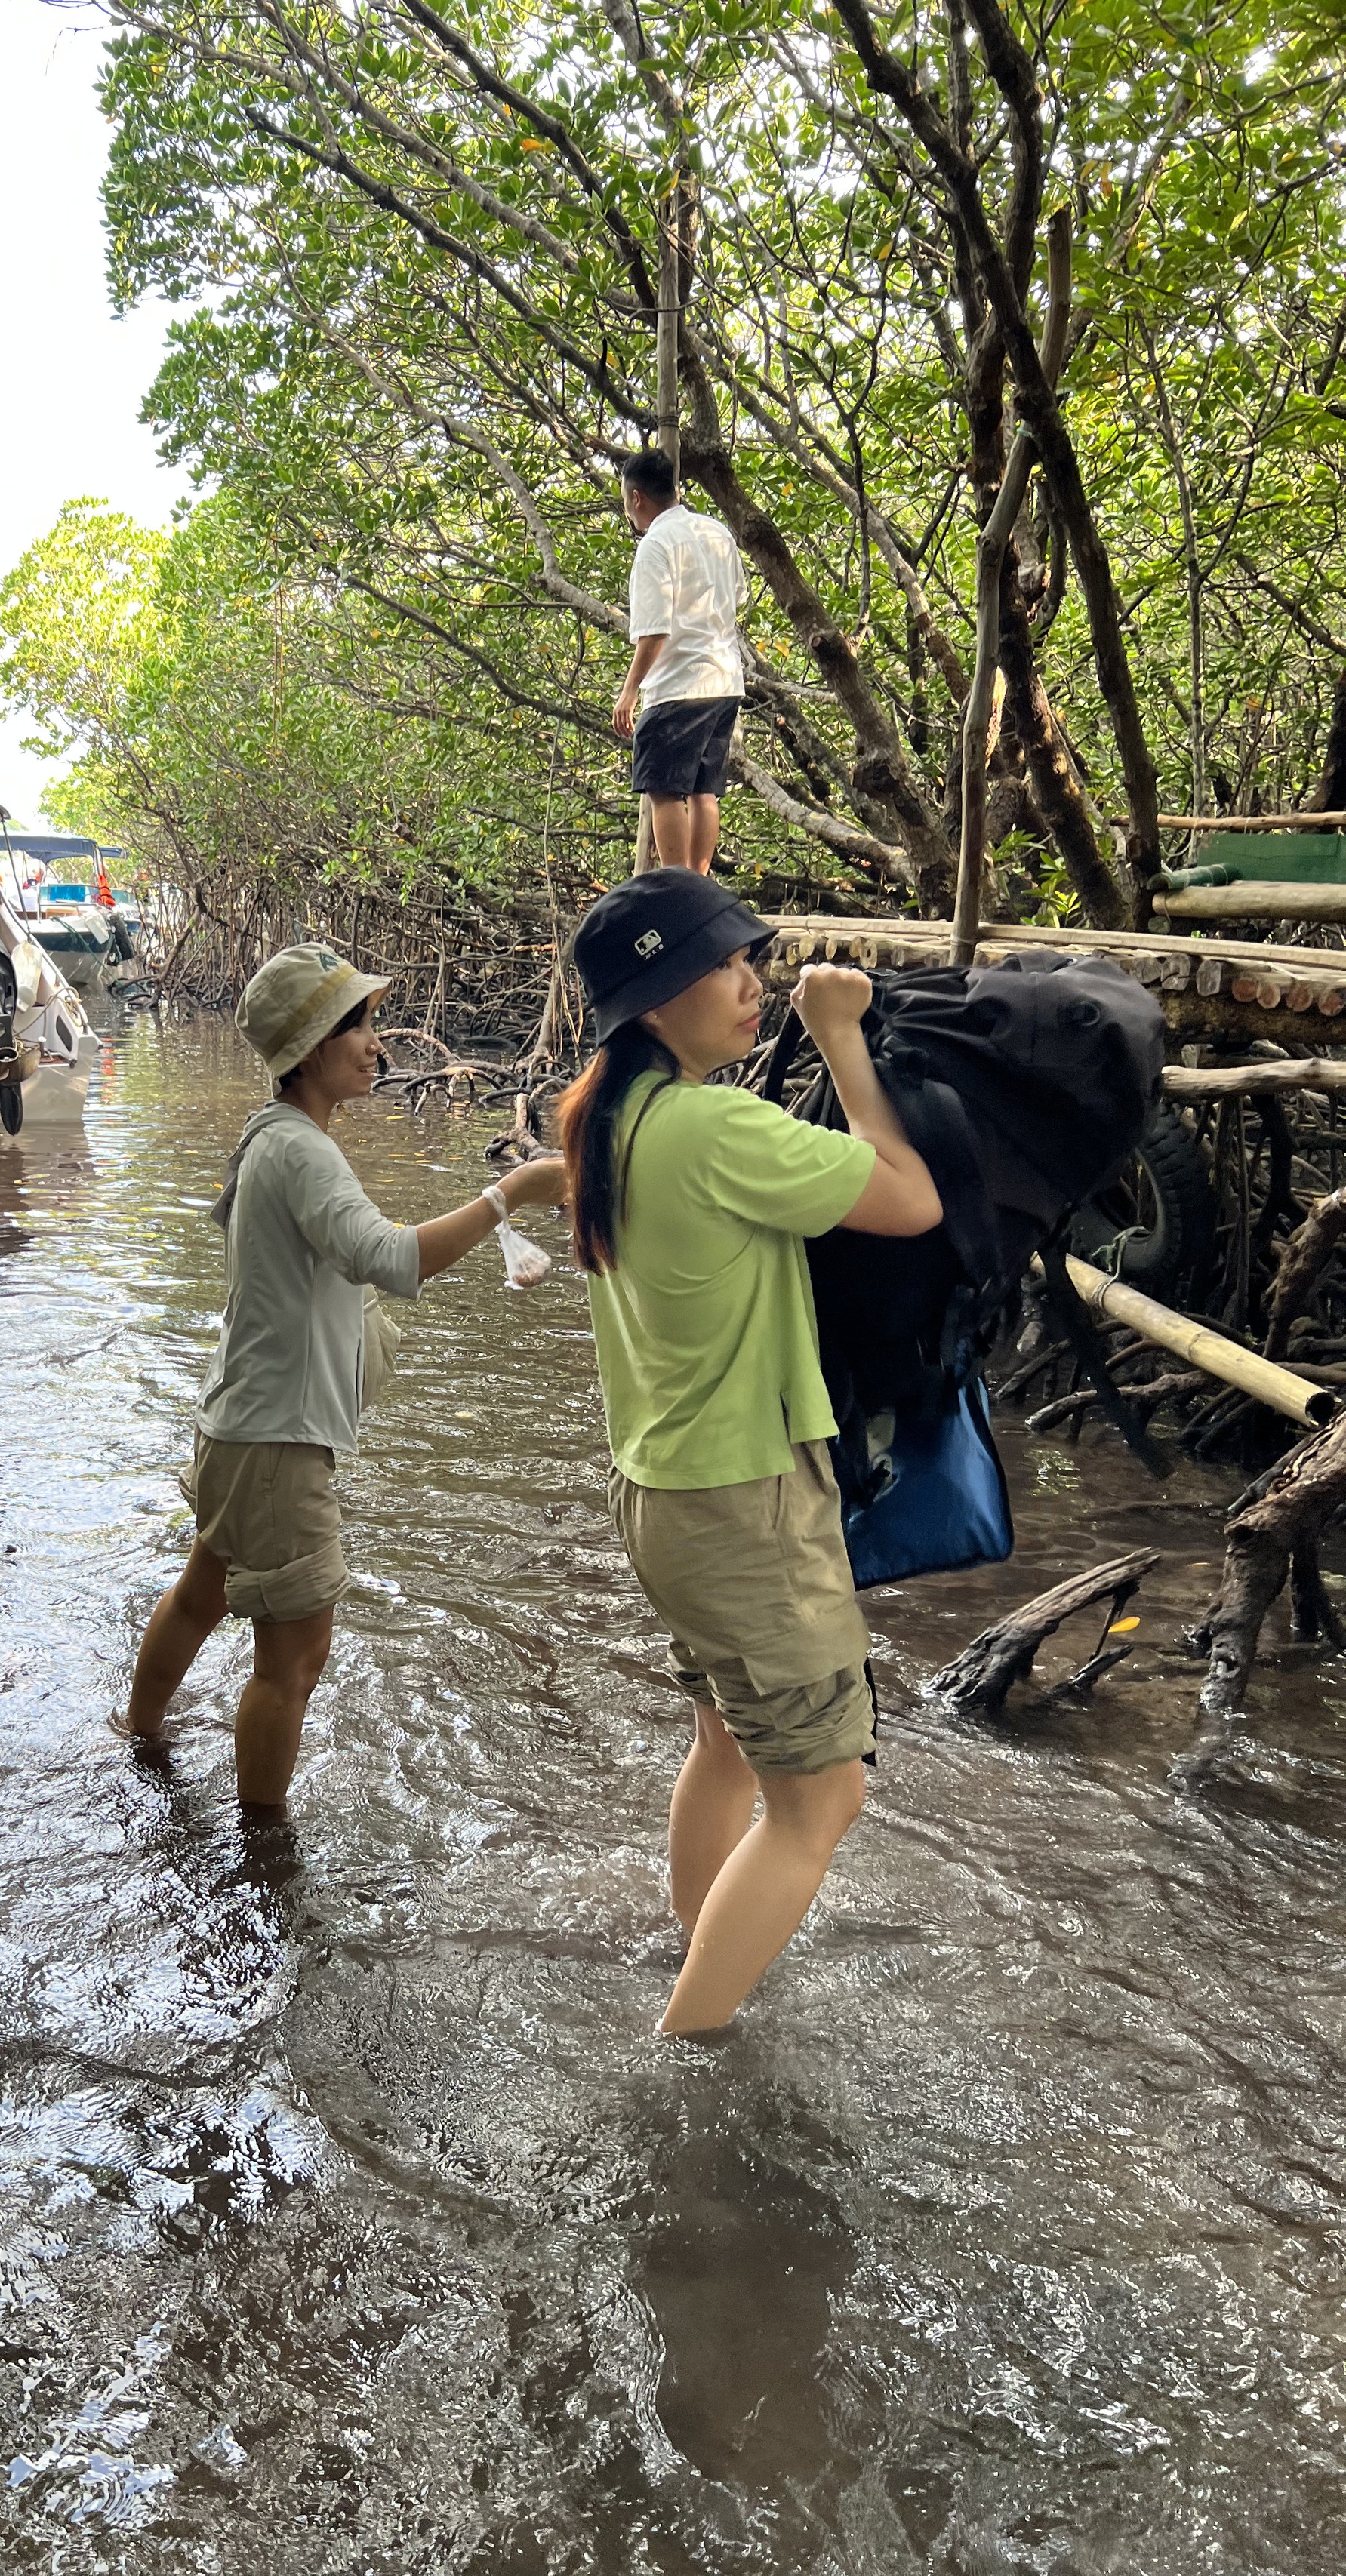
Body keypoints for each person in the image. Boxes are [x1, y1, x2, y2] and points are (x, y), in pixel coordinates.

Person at [559, 870, 941, 2035]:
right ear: (654, 1001)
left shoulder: (603, 1120)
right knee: (822, 1797)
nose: (750, 984)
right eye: (722, 966)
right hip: (743, 1504)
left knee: (725, 1742)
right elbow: (911, 1198)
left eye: (751, 960)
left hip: (664, 1497)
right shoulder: (715, 1126)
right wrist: (842, 1042)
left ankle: (698, 1955)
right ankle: (691, 2046)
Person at [119, 942, 569, 1810]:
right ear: (309, 1046)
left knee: (201, 1590)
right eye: (357, 1024)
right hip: (279, 1441)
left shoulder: (273, 1136)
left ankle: (138, 1733)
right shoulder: (301, 1149)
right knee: (293, 1657)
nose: (376, 1042)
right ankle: (263, 1850)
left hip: (238, 1426)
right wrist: (509, 1192)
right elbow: (389, 1258)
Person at [611, 446, 748, 876]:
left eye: (627, 503)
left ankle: (675, 886)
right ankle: (698, 884)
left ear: (637, 499)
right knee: (705, 791)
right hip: (724, 680)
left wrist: (629, 692)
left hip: (678, 686)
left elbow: (655, 630)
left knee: (664, 791)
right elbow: (738, 598)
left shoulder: (655, 546)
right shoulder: (715, 532)